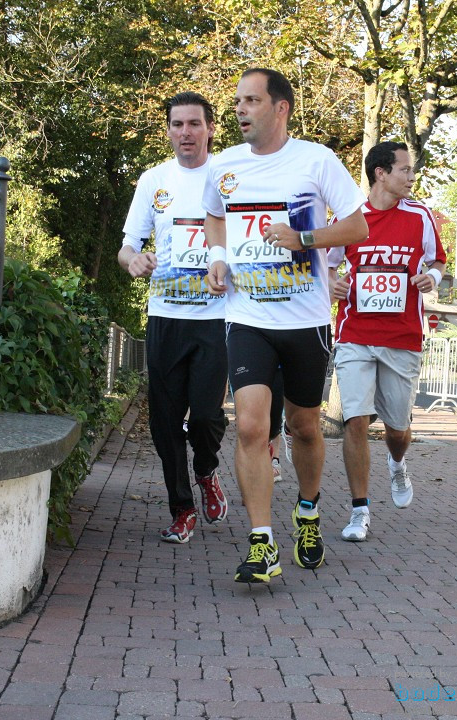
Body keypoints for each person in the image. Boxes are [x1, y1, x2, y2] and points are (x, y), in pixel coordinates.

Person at [202, 68, 368, 583]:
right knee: (251, 426)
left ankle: (309, 513)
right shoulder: (223, 165)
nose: (240, 111)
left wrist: (306, 239)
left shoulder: (316, 160)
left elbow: (358, 225)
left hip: (306, 320)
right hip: (247, 315)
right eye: (236, 103)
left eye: (251, 101)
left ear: (280, 108)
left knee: (303, 426)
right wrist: (217, 257)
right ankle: (261, 544)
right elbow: (215, 217)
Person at [118, 92, 230, 543]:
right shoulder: (153, 180)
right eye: (177, 124)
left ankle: (206, 470)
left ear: (209, 129)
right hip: (164, 316)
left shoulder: (228, 176)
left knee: (204, 416)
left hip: (216, 317)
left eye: (194, 124)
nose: (185, 132)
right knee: (165, 423)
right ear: (168, 130)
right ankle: (181, 509)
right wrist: (134, 262)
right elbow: (128, 245)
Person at [327, 141, 447, 542]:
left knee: (397, 429)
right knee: (355, 420)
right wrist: (333, 283)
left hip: (402, 336)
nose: (412, 177)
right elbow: (323, 267)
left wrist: (433, 277)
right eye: (405, 170)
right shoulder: (350, 218)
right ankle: (360, 510)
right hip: (355, 333)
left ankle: (398, 464)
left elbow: (437, 262)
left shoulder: (420, 216)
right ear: (381, 173)